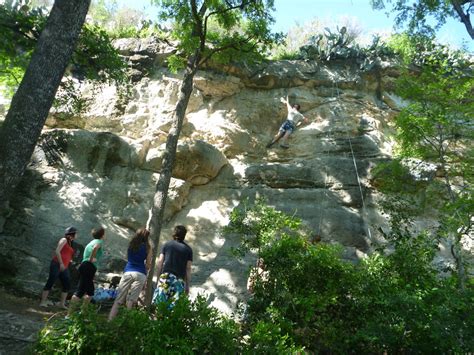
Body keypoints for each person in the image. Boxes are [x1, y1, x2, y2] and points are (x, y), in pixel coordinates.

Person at [108, 228, 151, 321]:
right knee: (131, 300)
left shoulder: (131, 245)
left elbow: (128, 258)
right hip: (140, 273)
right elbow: (148, 265)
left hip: (128, 271)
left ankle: (110, 321)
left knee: (119, 299)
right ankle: (125, 323)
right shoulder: (148, 248)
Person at [152, 225, 192, 306]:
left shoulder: (167, 245)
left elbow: (160, 263)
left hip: (165, 277)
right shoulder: (188, 250)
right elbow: (188, 268)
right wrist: (187, 285)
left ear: (174, 233)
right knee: (174, 308)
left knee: (159, 304)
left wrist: (157, 279)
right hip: (178, 280)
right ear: (184, 235)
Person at [40, 226, 78, 309]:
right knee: (51, 281)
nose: (77, 235)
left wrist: (69, 261)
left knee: (67, 284)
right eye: (76, 233)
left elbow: (66, 254)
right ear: (72, 234)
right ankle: (43, 302)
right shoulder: (64, 240)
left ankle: (61, 304)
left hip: (64, 266)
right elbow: (57, 251)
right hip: (57, 264)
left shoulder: (70, 243)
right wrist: (61, 263)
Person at [69, 227, 105, 311]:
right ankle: (69, 315)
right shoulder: (99, 241)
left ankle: (82, 313)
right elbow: (95, 248)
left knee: (90, 292)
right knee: (80, 291)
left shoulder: (91, 242)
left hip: (85, 266)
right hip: (89, 266)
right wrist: (92, 258)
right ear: (102, 235)